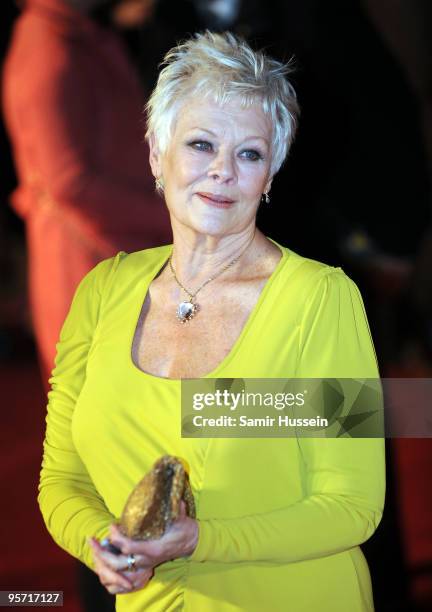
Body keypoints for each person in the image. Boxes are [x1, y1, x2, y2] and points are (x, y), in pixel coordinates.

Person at [38, 31, 385, 611]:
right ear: (156, 152)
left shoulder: (322, 300)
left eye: (249, 153)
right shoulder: (102, 291)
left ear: (270, 174)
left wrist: (202, 541)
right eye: (201, 144)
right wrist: (101, 546)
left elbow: (354, 506)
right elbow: (61, 480)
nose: (222, 171)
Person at [2, 0, 171, 385]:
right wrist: (170, 216)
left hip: (117, 251)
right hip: (88, 258)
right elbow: (68, 182)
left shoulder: (72, 37)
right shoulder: (49, 46)